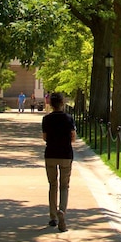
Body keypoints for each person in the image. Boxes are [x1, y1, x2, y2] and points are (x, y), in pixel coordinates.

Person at [41, 91, 76, 231]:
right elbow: (73, 136)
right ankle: (62, 210)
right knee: (64, 186)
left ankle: (52, 216)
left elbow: (45, 137)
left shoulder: (46, 119)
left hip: (50, 154)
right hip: (66, 154)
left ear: (50, 103)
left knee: (52, 185)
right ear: (62, 103)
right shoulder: (68, 118)